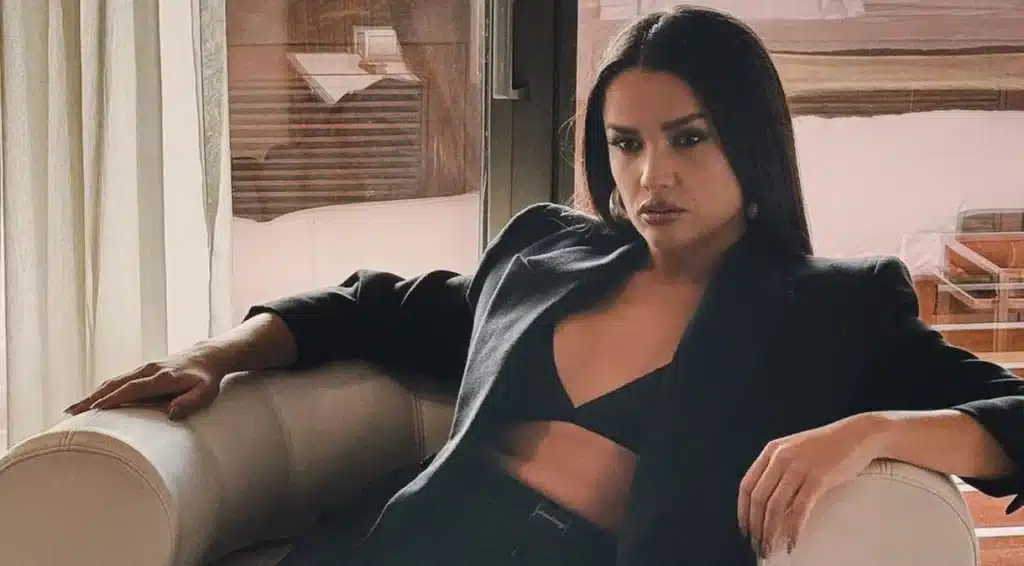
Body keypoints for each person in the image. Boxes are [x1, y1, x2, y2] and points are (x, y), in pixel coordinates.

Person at [66, 6, 1024, 565]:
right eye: (625, 144)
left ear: (753, 140)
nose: (651, 176)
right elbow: (375, 308)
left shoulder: (832, 308)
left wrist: (871, 431)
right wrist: (216, 354)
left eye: (688, 138)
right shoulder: (542, 257)